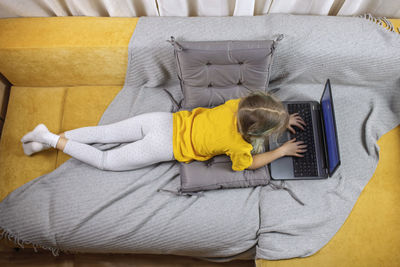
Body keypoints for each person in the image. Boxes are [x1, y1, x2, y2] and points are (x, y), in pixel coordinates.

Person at [21, 91, 307, 172]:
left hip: (162, 121)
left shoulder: (236, 105)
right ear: (258, 132)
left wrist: (281, 117)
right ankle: (49, 138)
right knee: (106, 162)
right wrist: (280, 150)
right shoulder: (241, 147)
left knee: (103, 133)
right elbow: (249, 164)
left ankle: (41, 141)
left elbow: (257, 110)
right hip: (162, 146)